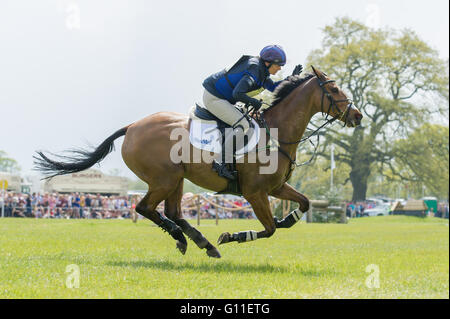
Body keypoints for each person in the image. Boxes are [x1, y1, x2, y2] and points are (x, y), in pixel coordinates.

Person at [202, 44, 303, 179]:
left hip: (223, 98)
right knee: (244, 125)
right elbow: (238, 93)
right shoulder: (255, 69)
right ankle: (222, 163)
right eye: (278, 65)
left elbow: (273, 87)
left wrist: (291, 78)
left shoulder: (261, 71)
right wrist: (253, 102)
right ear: (267, 63)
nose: (279, 68)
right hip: (214, 98)